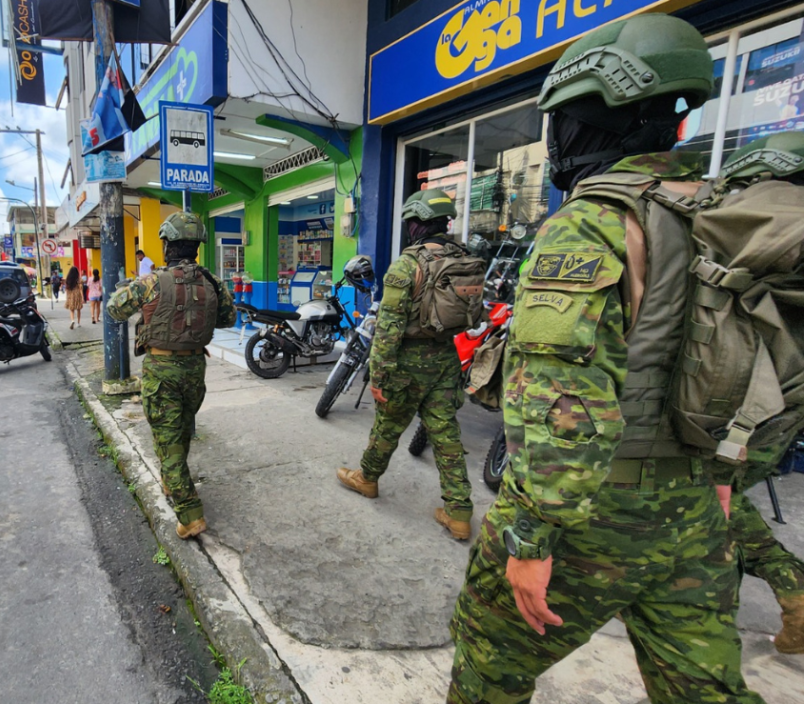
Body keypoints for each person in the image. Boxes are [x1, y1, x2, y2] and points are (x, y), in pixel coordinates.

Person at [449, 15, 766, 704]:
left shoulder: (590, 225)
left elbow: (563, 406)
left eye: (560, 120)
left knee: (487, 664)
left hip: (595, 519)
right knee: (706, 690)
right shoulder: (724, 215)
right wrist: (729, 471)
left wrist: (531, 539)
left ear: (593, 114)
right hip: (698, 514)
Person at [336, 188, 473, 540]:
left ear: (417, 224)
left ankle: (366, 479)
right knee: (446, 434)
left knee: (387, 427)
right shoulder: (465, 259)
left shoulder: (408, 264)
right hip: (445, 358)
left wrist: (378, 375)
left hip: (408, 362)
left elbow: (388, 328)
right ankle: (459, 512)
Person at [715, 132, 804, 655]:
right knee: (726, 499)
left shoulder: (750, 235)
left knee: (711, 504)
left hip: (746, 403)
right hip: (786, 404)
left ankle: (713, 635)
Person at [107, 212, 236, 539]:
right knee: (177, 433)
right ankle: (172, 480)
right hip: (195, 369)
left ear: (166, 245)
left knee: (168, 441)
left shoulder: (151, 282)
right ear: (196, 247)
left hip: (161, 372)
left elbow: (115, 309)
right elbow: (228, 319)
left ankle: (190, 515)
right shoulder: (211, 281)